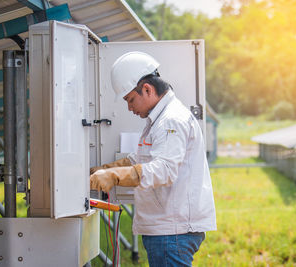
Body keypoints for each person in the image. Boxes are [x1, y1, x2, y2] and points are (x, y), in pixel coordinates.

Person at [90, 51, 216, 266]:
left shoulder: (171, 120)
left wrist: (113, 176)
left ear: (147, 89)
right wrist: (103, 169)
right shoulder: (160, 120)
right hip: (168, 229)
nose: (129, 108)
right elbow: (141, 159)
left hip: (172, 230)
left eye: (130, 100)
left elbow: (164, 170)